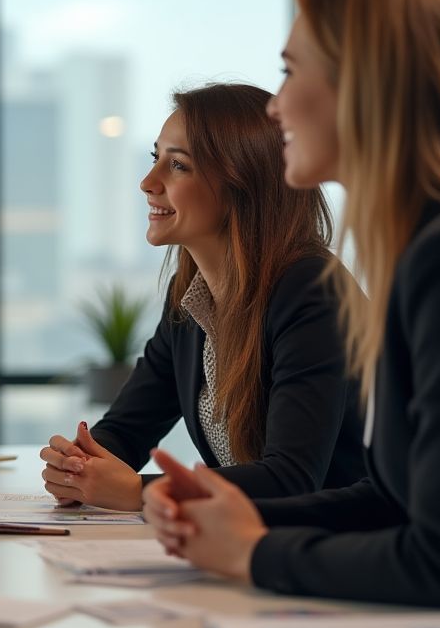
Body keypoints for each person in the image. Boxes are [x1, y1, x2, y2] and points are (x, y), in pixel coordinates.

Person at [145, 0, 440, 618]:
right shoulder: (432, 245)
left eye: (290, 71)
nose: (274, 107)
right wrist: (227, 514)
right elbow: (393, 500)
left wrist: (251, 553)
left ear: (368, 85)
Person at [41, 83, 364, 511]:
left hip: (354, 557)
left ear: (241, 183)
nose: (147, 182)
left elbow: (293, 479)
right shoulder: (189, 299)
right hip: (262, 551)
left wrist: (142, 492)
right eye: (156, 158)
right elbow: (125, 432)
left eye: (177, 166)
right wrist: (80, 465)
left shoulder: (313, 293)